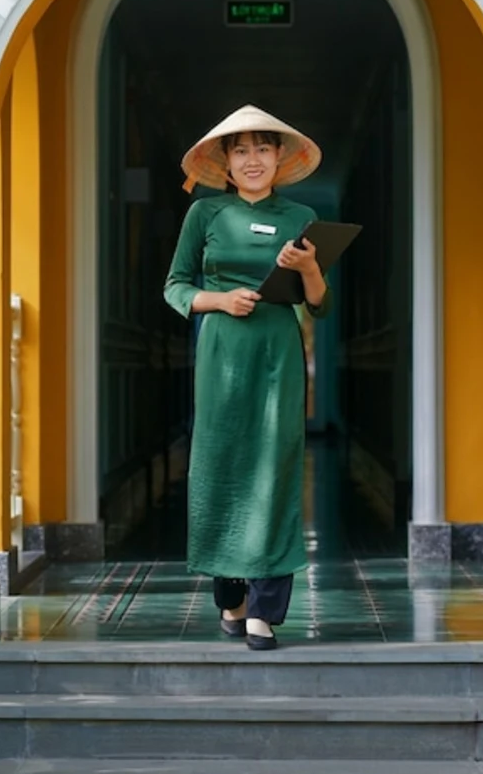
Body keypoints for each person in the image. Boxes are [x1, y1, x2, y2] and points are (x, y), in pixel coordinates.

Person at [164, 105, 330, 651]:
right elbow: (175, 285)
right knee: (221, 464)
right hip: (221, 352)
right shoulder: (205, 214)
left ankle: (264, 610)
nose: (252, 160)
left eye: (262, 148)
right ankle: (230, 598)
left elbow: (320, 304)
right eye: (241, 151)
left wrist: (308, 268)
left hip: (278, 351)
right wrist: (219, 300)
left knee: (275, 468)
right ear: (226, 163)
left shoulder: (301, 215)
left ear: (280, 157)